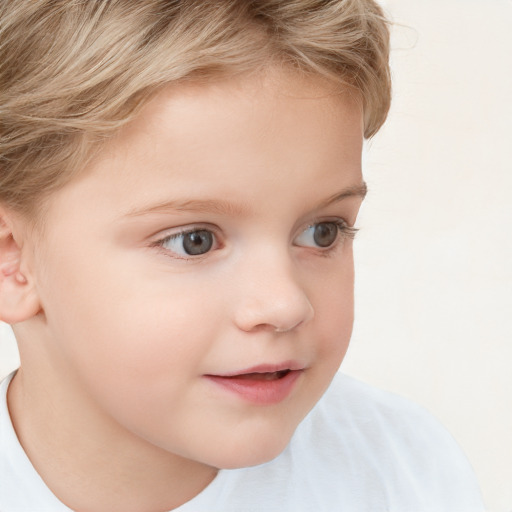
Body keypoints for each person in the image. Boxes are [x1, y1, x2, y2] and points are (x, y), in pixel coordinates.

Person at [0, 1, 485, 510]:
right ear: (13, 261)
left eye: (322, 232)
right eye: (195, 241)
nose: (285, 304)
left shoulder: (405, 472)